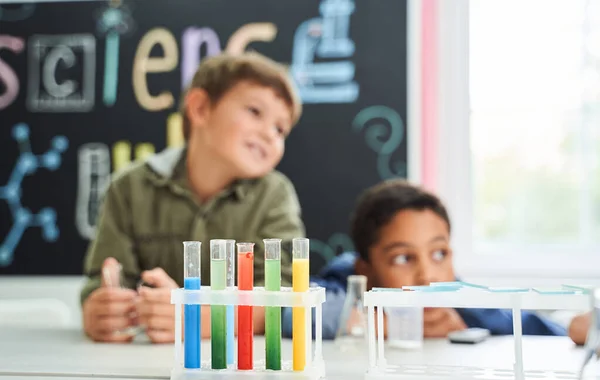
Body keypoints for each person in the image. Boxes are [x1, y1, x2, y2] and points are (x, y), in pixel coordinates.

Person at [82, 52, 305, 343]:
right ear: (200, 108)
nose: (269, 134)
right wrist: (99, 310)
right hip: (141, 362)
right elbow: (101, 283)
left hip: (239, 367)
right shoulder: (128, 188)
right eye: (254, 111)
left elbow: (285, 295)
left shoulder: (275, 195)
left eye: (280, 129)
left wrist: (204, 318)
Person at [283, 179, 570, 340]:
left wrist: (578, 329)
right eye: (403, 258)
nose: (428, 276)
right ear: (365, 271)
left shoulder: (462, 301)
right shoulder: (343, 280)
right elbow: (288, 311)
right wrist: (388, 326)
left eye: (439, 254)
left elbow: (538, 328)